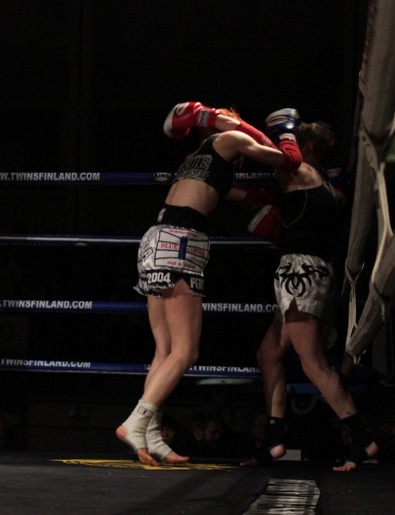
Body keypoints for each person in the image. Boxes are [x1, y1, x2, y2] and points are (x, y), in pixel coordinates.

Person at [115, 101, 304, 466]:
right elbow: (287, 162)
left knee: (164, 350)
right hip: (182, 242)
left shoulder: (195, 158)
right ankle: (136, 420)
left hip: (156, 239)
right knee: (186, 352)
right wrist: (286, 134)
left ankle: (151, 435)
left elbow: (226, 191)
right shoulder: (232, 137)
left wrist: (255, 198)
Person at [239, 111, 379, 471]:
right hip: (304, 272)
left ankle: (362, 438)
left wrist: (237, 132)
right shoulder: (330, 188)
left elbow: (269, 152)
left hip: (301, 272)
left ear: (309, 146)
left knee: (313, 362)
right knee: (269, 353)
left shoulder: (300, 172)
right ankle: (274, 438)